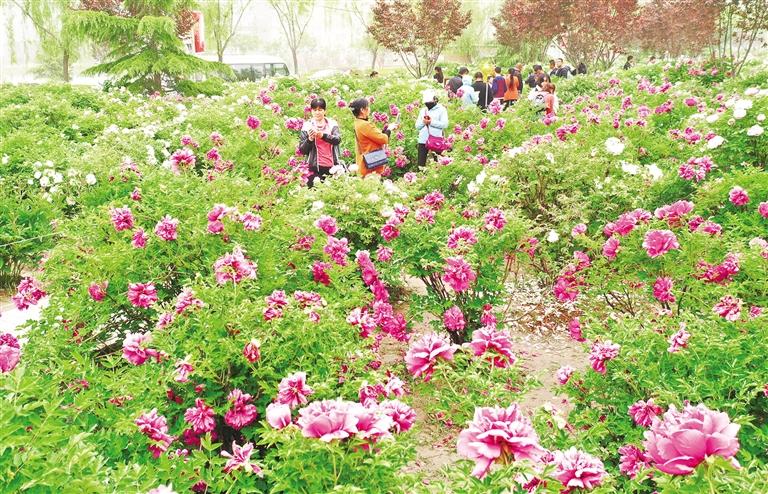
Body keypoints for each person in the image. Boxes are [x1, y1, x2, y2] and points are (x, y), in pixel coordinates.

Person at [298, 98, 342, 187]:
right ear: (311, 111)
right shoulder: (307, 126)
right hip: (313, 167)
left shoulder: (332, 124)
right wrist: (310, 139)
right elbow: (302, 150)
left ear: (325, 111)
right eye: (315, 110)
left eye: (320, 110)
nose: (317, 112)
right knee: (313, 191)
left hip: (332, 167)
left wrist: (323, 136)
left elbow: (337, 140)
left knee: (331, 193)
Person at [350, 98, 396, 178]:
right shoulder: (365, 125)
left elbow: (374, 136)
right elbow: (383, 139)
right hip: (371, 165)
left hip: (363, 163)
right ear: (362, 110)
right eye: (368, 107)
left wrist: (385, 130)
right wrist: (389, 129)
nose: (369, 109)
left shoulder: (357, 122)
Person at [415, 89, 448, 167]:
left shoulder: (441, 110)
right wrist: (424, 122)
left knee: (439, 164)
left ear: (435, 99)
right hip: (423, 140)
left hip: (436, 140)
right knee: (420, 165)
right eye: (426, 103)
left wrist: (431, 122)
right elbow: (417, 126)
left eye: (429, 102)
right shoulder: (423, 110)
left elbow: (445, 124)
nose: (428, 104)